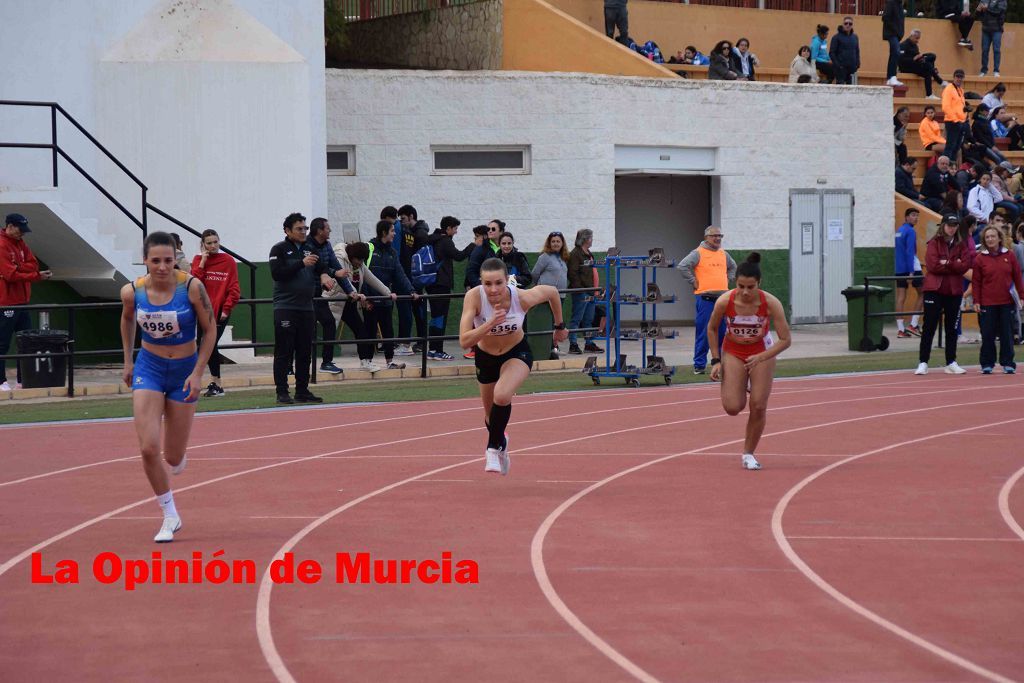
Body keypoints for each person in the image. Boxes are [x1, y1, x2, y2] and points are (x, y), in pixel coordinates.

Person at [119, 231, 216, 542]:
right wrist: (128, 361)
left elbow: (210, 329)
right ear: (145, 260)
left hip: (184, 370)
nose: (162, 267)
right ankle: (169, 514)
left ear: (176, 259)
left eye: (168, 260)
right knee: (148, 448)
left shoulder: (191, 287)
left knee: (172, 458)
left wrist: (199, 372)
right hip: (150, 368)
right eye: (155, 261)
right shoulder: (132, 292)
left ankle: (178, 455)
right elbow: (127, 320)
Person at [459, 257, 568, 476]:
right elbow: (464, 340)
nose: (493, 289)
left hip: (516, 352)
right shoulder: (474, 298)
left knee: (502, 395)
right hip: (486, 357)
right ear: (481, 283)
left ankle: (492, 449)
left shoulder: (521, 297)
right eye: (487, 284)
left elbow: (552, 293)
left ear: (506, 280)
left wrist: (559, 326)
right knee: (491, 418)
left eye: (498, 283)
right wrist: (490, 323)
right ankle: (502, 443)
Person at [707, 253, 791, 471]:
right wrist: (716, 360)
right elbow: (712, 328)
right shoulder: (725, 301)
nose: (745, 292)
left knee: (759, 405)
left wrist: (762, 357)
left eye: (750, 287)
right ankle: (737, 381)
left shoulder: (771, 303)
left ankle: (748, 453)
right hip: (733, 351)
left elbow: (786, 340)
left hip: (761, 352)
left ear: (759, 284)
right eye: (741, 286)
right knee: (733, 407)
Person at [269, 212, 333, 404]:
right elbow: (277, 273)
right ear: (287, 231)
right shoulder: (279, 249)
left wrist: (324, 275)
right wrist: (301, 264)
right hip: (285, 307)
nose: (304, 231)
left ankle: (302, 390)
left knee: (305, 350)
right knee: (284, 350)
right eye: (299, 228)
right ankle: (282, 392)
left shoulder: (309, 248)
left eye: (305, 228)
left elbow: (322, 266)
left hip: (307, 307)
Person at [0, 213, 52, 392]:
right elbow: (10, 275)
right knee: (2, 343)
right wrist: (33, 275)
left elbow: (33, 264)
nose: (22, 234)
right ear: (10, 226)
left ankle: (23, 380)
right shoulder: (2, 244)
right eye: (19, 230)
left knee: (26, 342)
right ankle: (1, 381)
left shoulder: (21, 244)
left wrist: (20, 268)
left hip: (23, 301)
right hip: (6, 302)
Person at [915, 214, 972, 375]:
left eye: (954, 225)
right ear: (943, 226)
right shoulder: (934, 243)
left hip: (953, 291)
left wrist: (946, 263)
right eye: (949, 225)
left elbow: (965, 265)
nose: (952, 228)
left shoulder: (961, 245)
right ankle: (923, 362)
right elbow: (932, 266)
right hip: (934, 290)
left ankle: (951, 362)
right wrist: (955, 264)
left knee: (952, 328)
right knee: (929, 327)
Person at [678, 226, 736, 375]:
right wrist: (693, 281)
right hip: (705, 298)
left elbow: (733, 267)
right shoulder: (698, 253)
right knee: (704, 331)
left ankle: (722, 364)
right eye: (714, 236)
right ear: (706, 238)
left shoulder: (724, 254)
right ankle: (699, 365)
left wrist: (727, 279)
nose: (717, 238)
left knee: (723, 332)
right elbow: (683, 266)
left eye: (720, 236)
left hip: (723, 298)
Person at [190, 228, 240, 397]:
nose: (213, 246)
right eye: (209, 243)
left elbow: (234, 288)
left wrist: (226, 309)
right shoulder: (198, 260)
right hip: (200, 311)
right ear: (203, 245)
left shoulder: (228, 261)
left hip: (219, 312)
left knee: (208, 344)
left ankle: (216, 383)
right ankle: (215, 383)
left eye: (215, 242)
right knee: (202, 346)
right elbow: (194, 282)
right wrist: (203, 261)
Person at [305, 217, 354, 375]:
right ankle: (297, 365)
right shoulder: (306, 245)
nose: (330, 231)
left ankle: (326, 362)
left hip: (318, 294)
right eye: (327, 228)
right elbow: (316, 267)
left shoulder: (326, 245)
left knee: (329, 323)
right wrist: (331, 273)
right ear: (319, 230)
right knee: (305, 329)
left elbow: (337, 269)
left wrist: (350, 291)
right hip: (304, 294)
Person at [368, 219, 418, 370]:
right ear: (384, 233)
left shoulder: (392, 252)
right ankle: (367, 361)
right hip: (371, 299)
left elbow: (400, 274)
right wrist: (365, 296)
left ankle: (389, 361)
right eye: (392, 231)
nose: (394, 234)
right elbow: (363, 274)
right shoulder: (369, 248)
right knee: (370, 331)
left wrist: (411, 290)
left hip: (386, 298)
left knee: (388, 331)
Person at [423, 216, 475, 361]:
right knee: (440, 318)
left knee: (435, 318)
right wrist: (473, 245)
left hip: (432, 284)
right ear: (448, 229)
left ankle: (432, 350)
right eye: (455, 229)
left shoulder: (434, 239)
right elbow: (459, 256)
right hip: (441, 284)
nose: (456, 232)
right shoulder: (445, 241)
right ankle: (437, 350)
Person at [972, 224, 1023, 373]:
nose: (990, 239)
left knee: (1007, 334)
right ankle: (987, 363)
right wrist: (976, 301)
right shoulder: (980, 259)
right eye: (987, 237)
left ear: (999, 238)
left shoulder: (1010, 255)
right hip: (987, 303)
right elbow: (976, 282)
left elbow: (1018, 277)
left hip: (1006, 302)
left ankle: (1008, 363)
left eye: (993, 236)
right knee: (987, 334)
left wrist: (1021, 296)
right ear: (984, 240)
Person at [323, 242, 380, 371]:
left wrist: (389, 293)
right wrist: (356, 294)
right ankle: (325, 363)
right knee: (328, 332)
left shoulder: (359, 266)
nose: (360, 263)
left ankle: (365, 362)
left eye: (363, 260)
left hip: (348, 302)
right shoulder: (339, 258)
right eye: (359, 259)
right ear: (352, 256)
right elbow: (343, 281)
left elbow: (373, 279)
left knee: (361, 330)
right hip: (332, 301)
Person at [395, 205, 429, 356]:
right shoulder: (415, 232)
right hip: (414, 277)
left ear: (411, 216)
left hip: (415, 277)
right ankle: (420, 340)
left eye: (402, 218)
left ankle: (420, 341)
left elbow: (417, 257)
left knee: (416, 310)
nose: (401, 222)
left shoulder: (419, 234)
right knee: (416, 310)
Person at [531, 231, 570, 359]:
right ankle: (546, 350)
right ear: (549, 243)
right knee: (547, 323)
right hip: (546, 298)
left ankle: (554, 347)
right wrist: (540, 289)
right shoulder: (544, 257)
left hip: (561, 297)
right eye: (553, 241)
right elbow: (535, 274)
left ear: (562, 243)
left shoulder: (563, 258)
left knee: (557, 324)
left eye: (558, 241)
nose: (555, 244)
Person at [567, 228, 601, 355]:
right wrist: (581, 289)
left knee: (588, 319)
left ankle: (589, 343)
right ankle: (573, 343)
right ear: (585, 239)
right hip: (582, 291)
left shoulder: (588, 253)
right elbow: (572, 273)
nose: (592, 240)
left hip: (591, 291)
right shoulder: (575, 254)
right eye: (590, 237)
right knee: (577, 318)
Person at [895, 208, 924, 338]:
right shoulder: (911, 231)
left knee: (901, 297)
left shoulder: (899, 231)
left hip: (899, 269)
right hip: (911, 268)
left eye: (917, 216)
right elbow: (909, 252)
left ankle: (901, 330)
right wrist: (911, 272)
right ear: (906, 217)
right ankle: (913, 324)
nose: (916, 218)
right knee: (923, 293)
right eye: (913, 215)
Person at [899, 30, 945, 99]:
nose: (917, 40)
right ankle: (940, 81)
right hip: (907, 67)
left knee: (932, 56)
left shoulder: (915, 45)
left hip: (916, 64)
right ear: (911, 36)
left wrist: (920, 57)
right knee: (928, 67)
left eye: (919, 38)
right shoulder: (903, 45)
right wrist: (913, 59)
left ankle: (929, 95)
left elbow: (917, 56)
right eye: (916, 38)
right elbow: (900, 60)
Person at [942, 69, 971, 164]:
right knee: (950, 146)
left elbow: (959, 107)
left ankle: (951, 168)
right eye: (957, 77)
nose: (959, 79)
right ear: (954, 77)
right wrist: (955, 120)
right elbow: (946, 107)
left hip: (960, 122)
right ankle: (945, 166)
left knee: (956, 147)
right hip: (952, 121)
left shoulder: (960, 90)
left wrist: (965, 114)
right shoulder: (949, 89)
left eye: (961, 77)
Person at [977, 0, 1006, 78]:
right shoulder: (983, 0)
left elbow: (998, 11)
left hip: (997, 29)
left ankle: (996, 71)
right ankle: (983, 70)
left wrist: (987, 8)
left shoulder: (1002, 1)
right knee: (985, 50)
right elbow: (978, 14)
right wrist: (978, 10)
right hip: (986, 29)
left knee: (996, 50)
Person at [830, 16, 860, 85]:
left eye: (850, 24)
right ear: (843, 24)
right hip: (841, 69)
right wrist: (838, 65)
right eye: (846, 23)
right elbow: (832, 53)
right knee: (840, 89)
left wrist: (857, 63)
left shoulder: (855, 37)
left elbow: (857, 51)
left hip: (852, 68)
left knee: (852, 89)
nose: (848, 25)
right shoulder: (836, 37)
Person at [882, 0, 906, 87]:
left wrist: (900, 33)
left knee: (893, 54)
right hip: (891, 34)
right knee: (896, 52)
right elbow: (885, 17)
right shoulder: (891, 2)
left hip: (896, 34)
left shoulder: (900, 5)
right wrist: (896, 30)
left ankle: (890, 78)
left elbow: (901, 21)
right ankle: (892, 76)